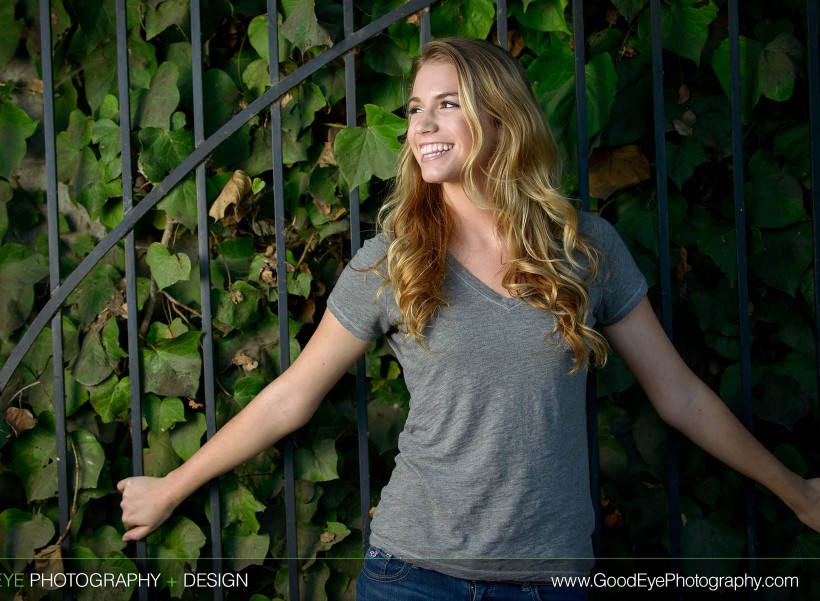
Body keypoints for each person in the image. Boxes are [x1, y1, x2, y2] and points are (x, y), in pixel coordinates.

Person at [118, 37, 820, 600]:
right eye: (416, 107)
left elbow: (682, 396)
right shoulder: (392, 260)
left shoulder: (585, 248)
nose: (421, 124)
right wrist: (171, 485)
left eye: (447, 104)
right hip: (414, 574)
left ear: (500, 117)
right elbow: (288, 398)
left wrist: (797, 492)